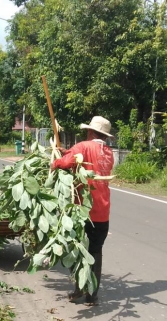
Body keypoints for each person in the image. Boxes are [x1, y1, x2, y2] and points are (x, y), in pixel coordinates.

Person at [52, 116, 115, 305]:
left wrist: (54, 162)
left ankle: (79, 289)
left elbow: (65, 163)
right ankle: (92, 295)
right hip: (103, 211)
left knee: (79, 250)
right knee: (96, 251)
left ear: (89, 131)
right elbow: (79, 160)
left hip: (83, 210)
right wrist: (67, 153)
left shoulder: (83, 146)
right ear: (104, 135)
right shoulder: (109, 152)